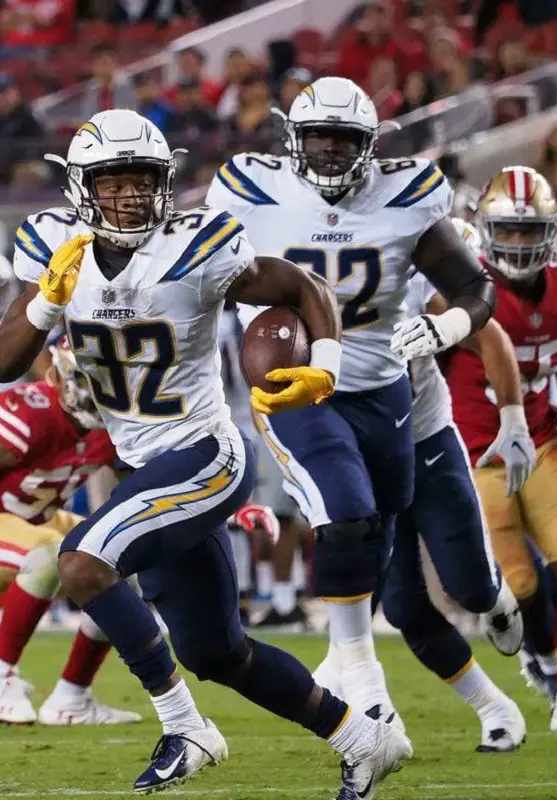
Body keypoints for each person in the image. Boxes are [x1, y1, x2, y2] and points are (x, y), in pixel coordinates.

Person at [0, 108, 412, 798]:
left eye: (143, 180)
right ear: (81, 187)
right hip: (143, 465)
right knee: (215, 651)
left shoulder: (198, 245)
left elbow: (299, 286)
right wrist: (46, 304)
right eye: (113, 181)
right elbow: (8, 361)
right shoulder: (53, 247)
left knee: (81, 563)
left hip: (205, 454)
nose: (131, 195)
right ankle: (364, 739)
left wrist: (329, 366)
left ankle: (185, 726)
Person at [206, 77, 507, 794]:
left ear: (371, 145)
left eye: (345, 139)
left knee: (377, 525)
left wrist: (447, 326)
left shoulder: (407, 199)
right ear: (292, 140)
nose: (331, 152)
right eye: (318, 138)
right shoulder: (250, 192)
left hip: (384, 386)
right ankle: (365, 689)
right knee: (342, 512)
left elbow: (477, 288)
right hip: (296, 383)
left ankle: (353, 667)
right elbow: (198, 272)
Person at [314, 221, 529, 751]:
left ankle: (498, 595)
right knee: (405, 607)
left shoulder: (415, 286)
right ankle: (494, 707)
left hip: (425, 443)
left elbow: (491, 335)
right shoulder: (314, 285)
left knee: (472, 589)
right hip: (367, 455)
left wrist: (514, 417)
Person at [446, 166, 557, 731]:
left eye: (529, 231)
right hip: (477, 456)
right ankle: (543, 658)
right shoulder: (459, 288)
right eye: (510, 231)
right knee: (520, 586)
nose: (519, 243)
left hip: (543, 441)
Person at [0, 339, 140, 725]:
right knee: (47, 556)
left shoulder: (115, 427)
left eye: (105, 381)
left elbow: (156, 477)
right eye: (88, 379)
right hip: (13, 520)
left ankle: (71, 698)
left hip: (37, 519)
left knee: (115, 566)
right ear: (62, 373)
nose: (97, 391)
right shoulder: (31, 411)